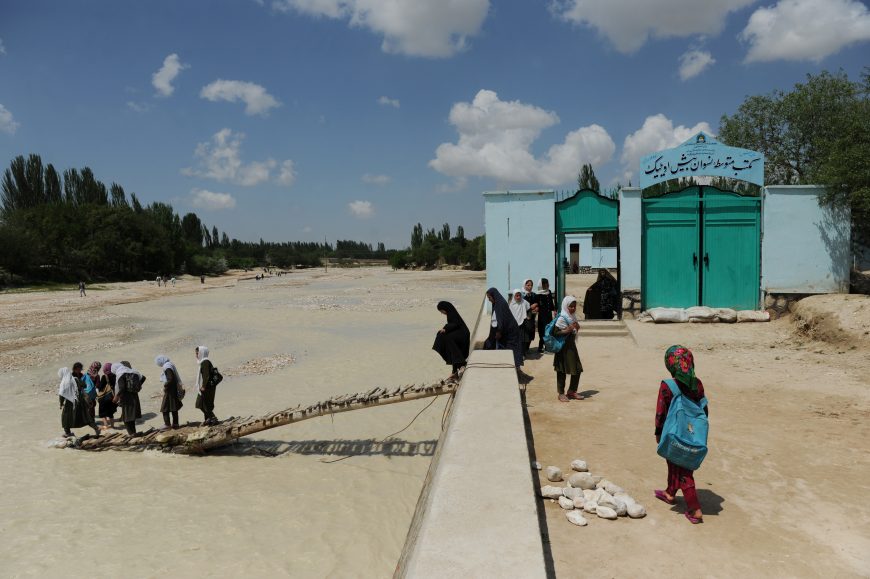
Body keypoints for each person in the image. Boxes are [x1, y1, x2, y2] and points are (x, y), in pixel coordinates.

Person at [654, 345, 709, 524]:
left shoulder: (668, 385)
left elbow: (661, 411)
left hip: (673, 432)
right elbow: (704, 409)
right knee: (676, 461)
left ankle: (695, 510)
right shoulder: (697, 383)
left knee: (683, 470)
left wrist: (658, 432)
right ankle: (670, 492)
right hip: (693, 432)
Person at [483, 287, 530, 382]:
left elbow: (501, 320)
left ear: (494, 296)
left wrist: (499, 332)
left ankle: (516, 372)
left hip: (510, 332)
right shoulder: (497, 303)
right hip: (508, 331)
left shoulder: (500, 304)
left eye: (489, 297)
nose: (489, 299)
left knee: (513, 351)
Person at [552, 296, 583, 402]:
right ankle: (561, 393)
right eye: (571, 306)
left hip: (571, 347)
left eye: (574, 306)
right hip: (563, 348)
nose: (573, 308)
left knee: (577, 368)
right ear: (566, 306)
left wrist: (576, 327)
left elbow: (574, 330)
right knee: (561, 370)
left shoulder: (572, 316)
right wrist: (567, 330)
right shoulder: (561, 318)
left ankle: (571, 391)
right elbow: (555, 333)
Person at [58, 366, 100, 438]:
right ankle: (96, 428)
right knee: (85, 416)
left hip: (69, 403)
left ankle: (67, 433)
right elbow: (84, 385)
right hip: (80, 401)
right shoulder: (75, 379)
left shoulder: (64, 383)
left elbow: (61, 395)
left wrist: (61, 404)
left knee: (65, 418)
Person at [432, 301, 470, 381]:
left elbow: (455, 324)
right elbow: (453, 325)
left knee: (447, 339)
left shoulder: (452, 314)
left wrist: (445, 329)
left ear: (445, 309)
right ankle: (455, 370)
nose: (442, 313)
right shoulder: (451, 313)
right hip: (460, 333)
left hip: (463, 335)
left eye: (441, 311)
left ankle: (460, 366)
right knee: (448, 342)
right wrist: (445, 329)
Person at [113, 361, 144, 436]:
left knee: (126, 418)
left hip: (126, 398)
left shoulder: (120, 374)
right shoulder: (133, 372)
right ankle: (133, 433)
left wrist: (117, 397)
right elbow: (142, 380)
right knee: (131, 417)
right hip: (134, 396)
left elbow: (122, 388)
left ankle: (131, 434)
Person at [155, 355, 183, 430]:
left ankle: (167, 425)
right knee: (174, 407)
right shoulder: (170, 364)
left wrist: (165, 385)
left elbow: (170, 379)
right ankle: (175, 424)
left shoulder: (166, 367)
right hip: (174, 389)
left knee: (164, 408)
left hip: (170, 390)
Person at [194, 345, 218, 425]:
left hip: (207, 387)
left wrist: (203, 386)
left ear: (201, 353)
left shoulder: (205, 362)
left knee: (201, 404)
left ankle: (213, 418)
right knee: (204, 404)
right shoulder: (204, 362)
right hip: (207, 387)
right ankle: (208, 419)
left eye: (197, 353)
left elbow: (206, 375)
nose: (196, 355)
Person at [509, 289, 533, 357]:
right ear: (514, 296)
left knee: (523, 340)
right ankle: (516, 353)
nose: (518, 297)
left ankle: (523, 353)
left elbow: (529, 310)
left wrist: (529, 316)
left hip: (523, 324)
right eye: (517, 296)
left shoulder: (524, 302)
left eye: (519, 295)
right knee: (515, 340)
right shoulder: (511, 305)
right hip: (514, 325)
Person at [536, 278, 556, 353]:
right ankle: (541, 347)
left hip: (548, 315)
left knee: (549, 330)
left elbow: (551, 302)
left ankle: (547, 347)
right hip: (542, 315)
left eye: (547, 283)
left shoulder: (549, 292)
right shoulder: (538, 295)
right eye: (545, 284)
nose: (547, 285)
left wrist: (554, 309)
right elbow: (536, 305)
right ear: (541, 285)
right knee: (542, 331)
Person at [521, 279, 539, 356]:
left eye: (531, 285)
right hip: (525, 318)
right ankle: (523, 352)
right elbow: (521, 307)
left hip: (532, 317)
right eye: (528, 285)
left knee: (531, 333)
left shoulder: (533, 295)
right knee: (525, 335)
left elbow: (537, 304)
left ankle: (527, 349)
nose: (530, 287)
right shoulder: (522, 295)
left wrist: (537, 308)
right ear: (524, 285)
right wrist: (531, 307)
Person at [97, 362, 117, 431]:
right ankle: (113, 426)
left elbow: (100, 387)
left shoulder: (104, 376)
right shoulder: (115, 376)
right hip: (112, 397)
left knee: (103, 413)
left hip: (104, 398)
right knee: (110, 413)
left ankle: (106, 425)